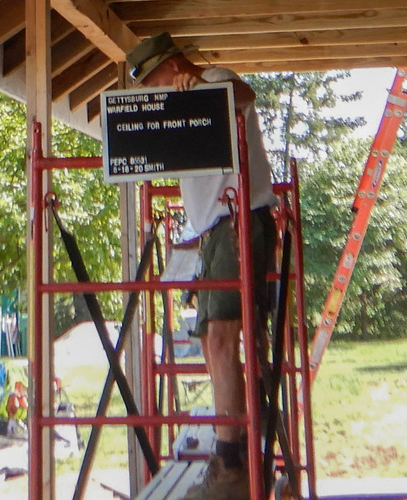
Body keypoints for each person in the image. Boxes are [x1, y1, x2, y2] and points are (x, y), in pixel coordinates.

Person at [124, 33, 275, 500]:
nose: (153, 91)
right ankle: (244, 432)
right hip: (215, 230)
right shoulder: (181, 108)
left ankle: (232, 464)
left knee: (223, 336)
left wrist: (206, 91)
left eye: (153, 80)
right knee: (212, 339)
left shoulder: (214, 80)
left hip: (238, 219)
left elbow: (246, 94)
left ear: (170, 66)